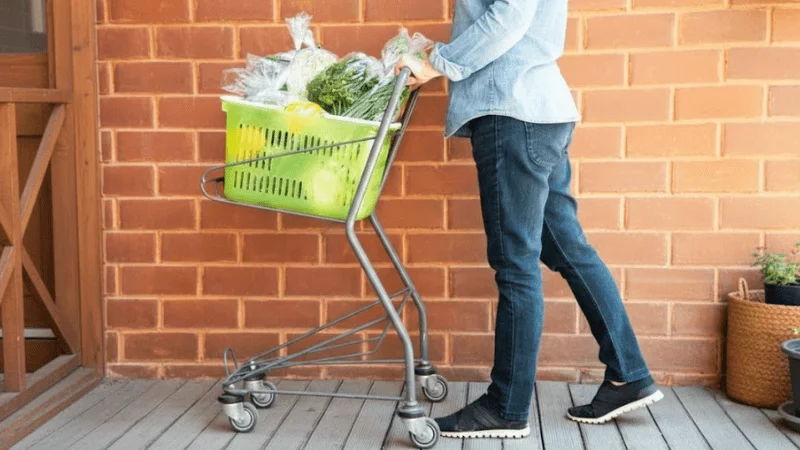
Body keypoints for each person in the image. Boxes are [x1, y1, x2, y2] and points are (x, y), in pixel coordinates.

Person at [395, 0, 664, 440]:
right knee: (567, 249)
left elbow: (510, 15)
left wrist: (438, 62)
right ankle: (628, 374)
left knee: (515, 263)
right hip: (539, 113)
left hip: (513, 114)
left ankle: (506, 406)